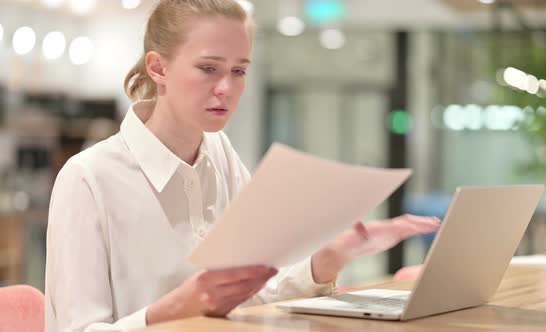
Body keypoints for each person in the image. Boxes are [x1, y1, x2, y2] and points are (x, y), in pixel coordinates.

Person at [44, 1, 440, 331]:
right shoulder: (88, 178)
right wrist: (170, 310)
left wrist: (329, 258)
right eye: (209, 68)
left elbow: (254, 290)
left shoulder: (221, 155)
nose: (226, 89)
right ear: (158, 68)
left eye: (239, 71)